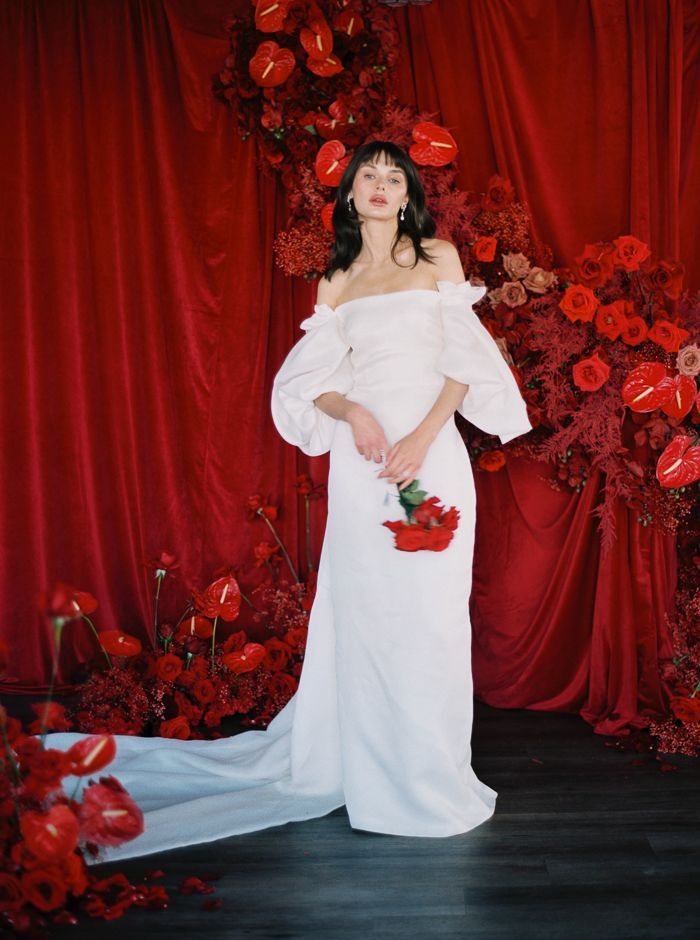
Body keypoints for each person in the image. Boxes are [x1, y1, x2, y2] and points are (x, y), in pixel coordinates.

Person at [43, 141, 531, 864]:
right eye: (369, 173)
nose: (380, 185)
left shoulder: (438, 258)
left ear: (407, 197)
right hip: (361, 462)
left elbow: (465, 364)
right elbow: (312, 384)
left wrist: (424, 437)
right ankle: (366, 774)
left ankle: (430, 781)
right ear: (351, 193)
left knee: (429, 621)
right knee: (366, 618)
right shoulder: (335, 277)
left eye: (394, 177)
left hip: (430, 458)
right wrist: (357, 414)